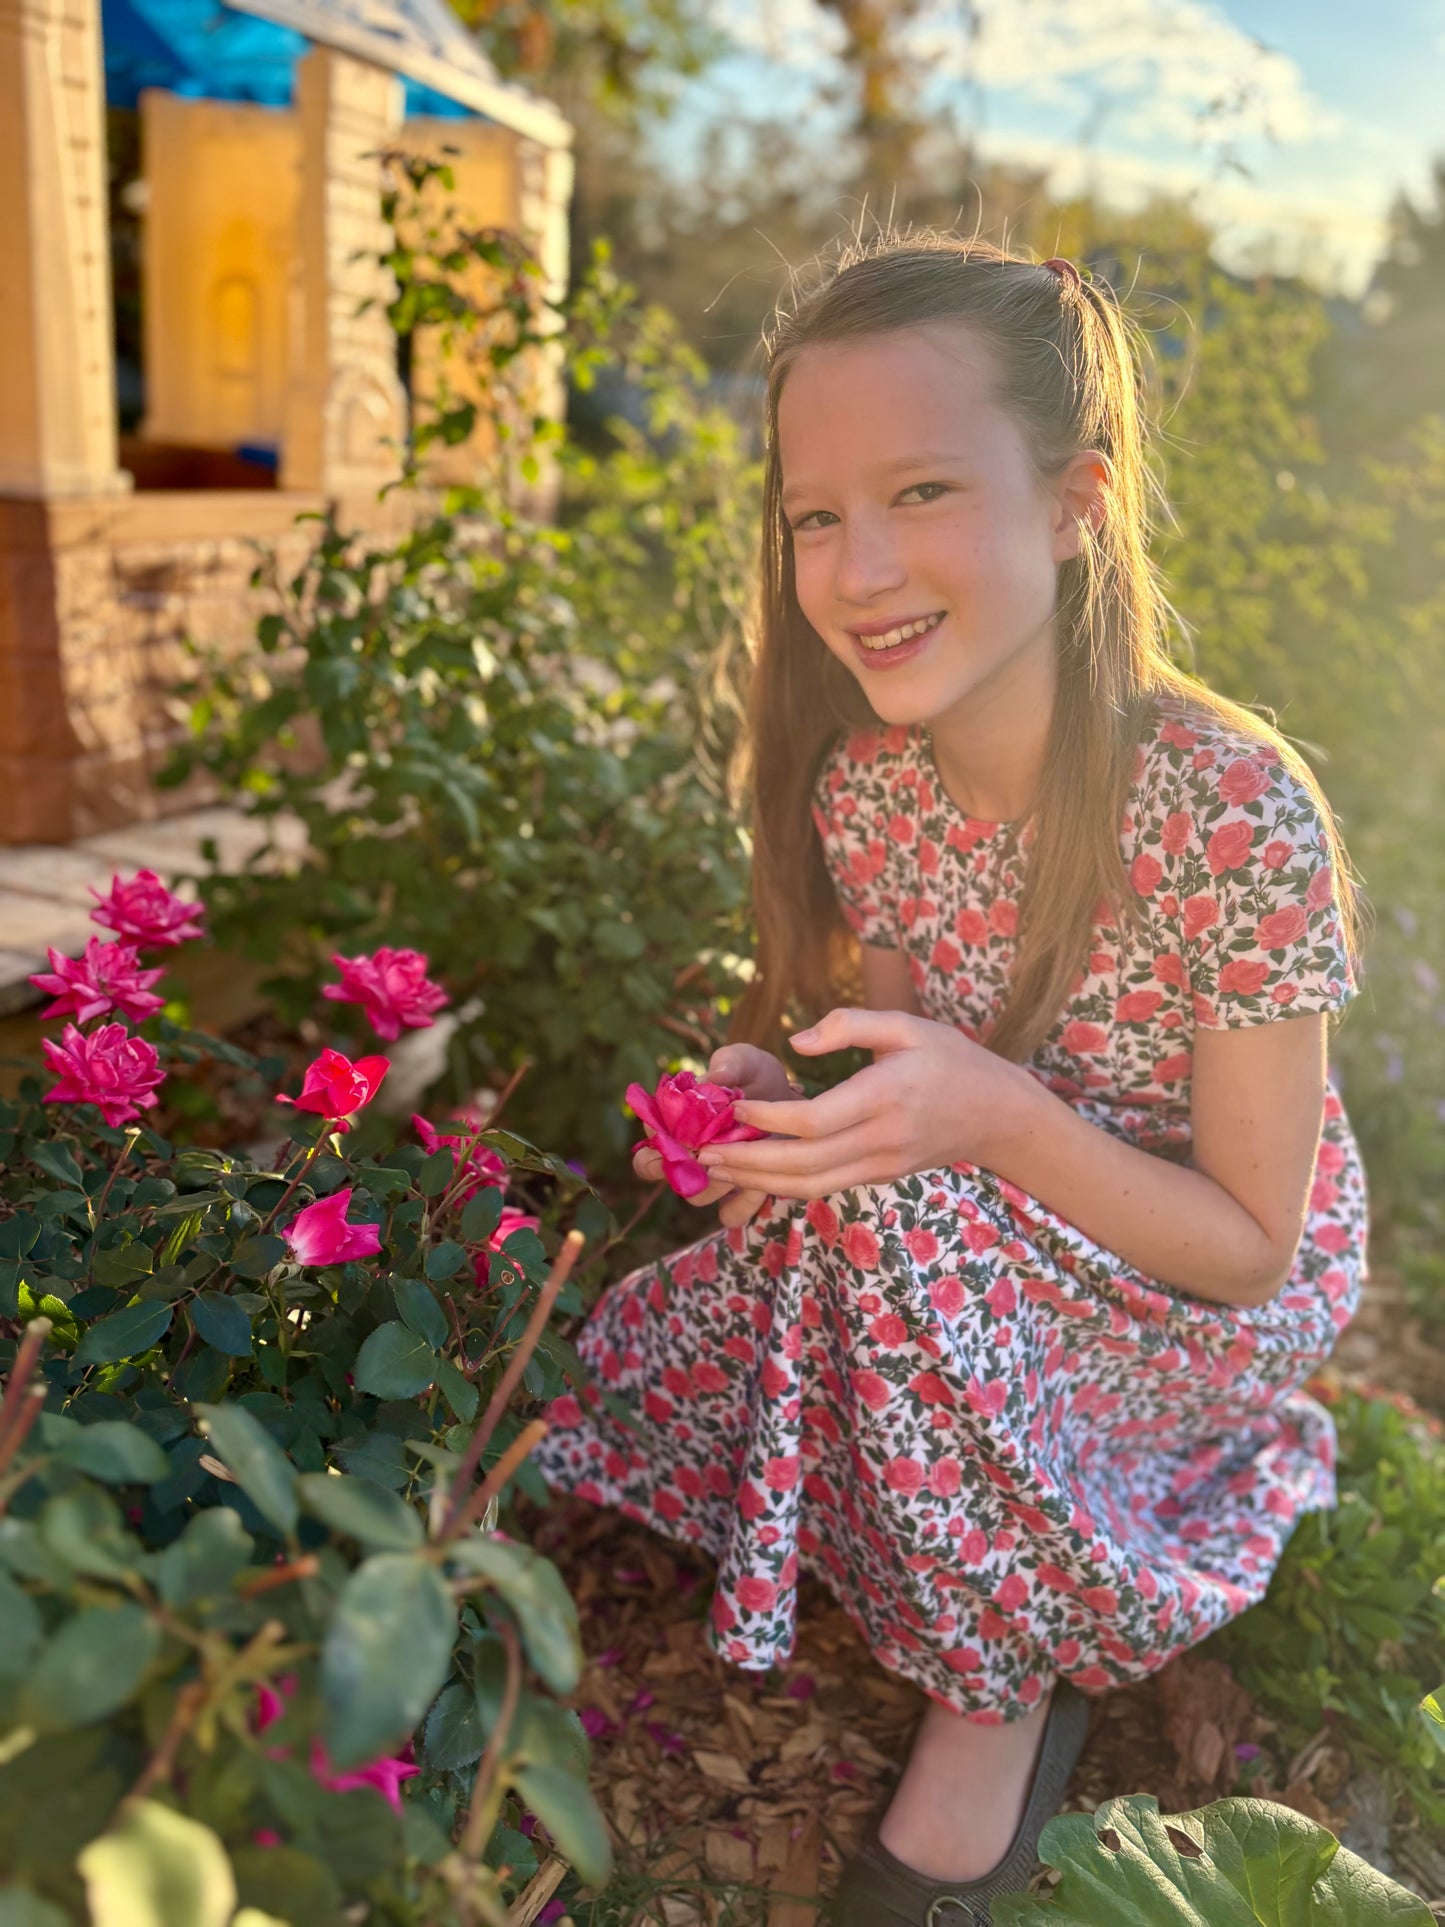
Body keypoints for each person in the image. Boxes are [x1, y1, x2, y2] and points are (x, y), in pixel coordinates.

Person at [534, 234, 1366, 1925]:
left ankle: (994, 1687)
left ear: (1074, 499)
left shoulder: (1228, 811)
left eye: (918, 490)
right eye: (815, 516)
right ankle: (898, 1530)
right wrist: (798, 1098)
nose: (854, 567)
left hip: (1190, 1284)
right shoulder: (872, 794)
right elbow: (934, 1077)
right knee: (822, 1228)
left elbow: (1246, 1245)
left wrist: (970, 1118)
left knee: (891, 1229)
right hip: (996, 1240)